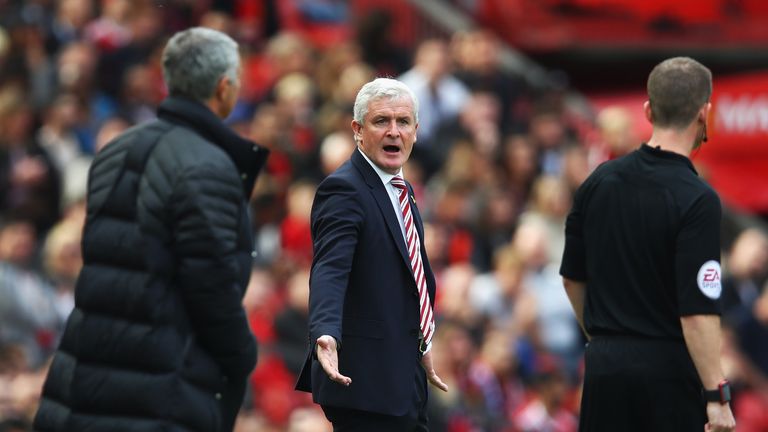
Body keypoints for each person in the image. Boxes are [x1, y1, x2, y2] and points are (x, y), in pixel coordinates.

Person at [33, 27, 268, 432]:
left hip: (84, 370)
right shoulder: (208, 166)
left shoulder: (115, 149)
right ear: (224, 87)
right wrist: (242, 353)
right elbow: (209, 287)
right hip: (157, 385)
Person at [560, 57, 736, 432]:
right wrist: (716, 397)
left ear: (647, 110)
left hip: (604, 369)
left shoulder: (597, 182)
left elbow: (571, 279)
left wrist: (607, 339)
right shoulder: (698, 199)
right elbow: (697, 313)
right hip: (667, 377)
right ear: (705, 113)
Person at [295, 77, 448, 431]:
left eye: (403, 122)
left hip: (402, 374)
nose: (394, 132)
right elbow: (330, 269)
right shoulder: (344, 188)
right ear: (358, 130)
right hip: (363, 382)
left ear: (416, 130)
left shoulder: (403, 189)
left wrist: (421, 343)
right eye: (381, 121)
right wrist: (326, 332)